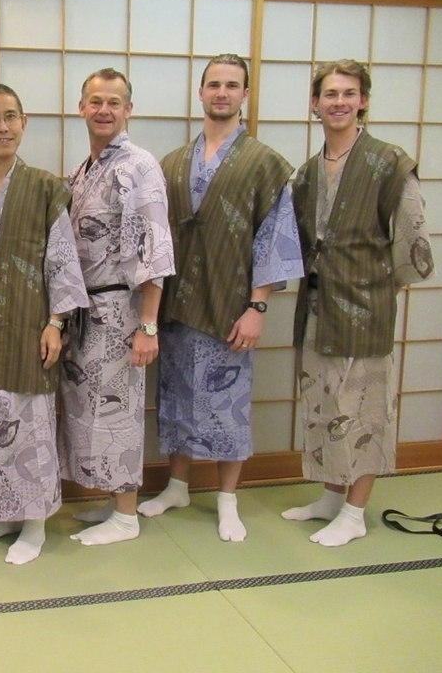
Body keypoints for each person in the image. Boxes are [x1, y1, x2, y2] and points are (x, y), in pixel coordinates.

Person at [139, 54, 303, 542]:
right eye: (214, 84)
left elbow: (274, 237)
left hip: (231, 305)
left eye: (232, 85)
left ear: (245, 95)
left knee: (229, 403)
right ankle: (177, 485)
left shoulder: (264, 163)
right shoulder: (171, 163)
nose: (222, 93)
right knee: (176, 397)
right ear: (201, 92)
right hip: (176, 303)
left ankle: (228, 499)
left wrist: (257, 307)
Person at [283, 59, 434, 546]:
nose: (339, 102)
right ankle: (331, 494)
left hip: (365, 307)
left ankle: (355, 509)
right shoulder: (307, 172)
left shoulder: (388, 161)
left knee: (364, 410)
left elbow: (411, 236)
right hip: (318, 306)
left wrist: (381, 289)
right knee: (324, 405)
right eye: (330, 94)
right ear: (315, 104)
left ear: (363, 100)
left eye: (349, 93)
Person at [0, 84, 88, 565]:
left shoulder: (47, 186)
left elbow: (62, 259)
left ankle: (33, 521)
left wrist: (56, 321)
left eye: (11, 116)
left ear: (24, 122)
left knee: (28, 419)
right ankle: (0, 511)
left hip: (27, 317)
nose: (3, 126)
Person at [59, 68, 175, 546]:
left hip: (119, 310)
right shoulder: (84, 169)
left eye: (114, 102)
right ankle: (112, 501)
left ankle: (126, 515)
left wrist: (148, 324)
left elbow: (155, 246)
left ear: (129, 110)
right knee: (91, 409)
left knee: (118, 410)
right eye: (95, 101)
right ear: (81, 107)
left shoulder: (138, 165)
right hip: (85, 310)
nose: (104, 110)